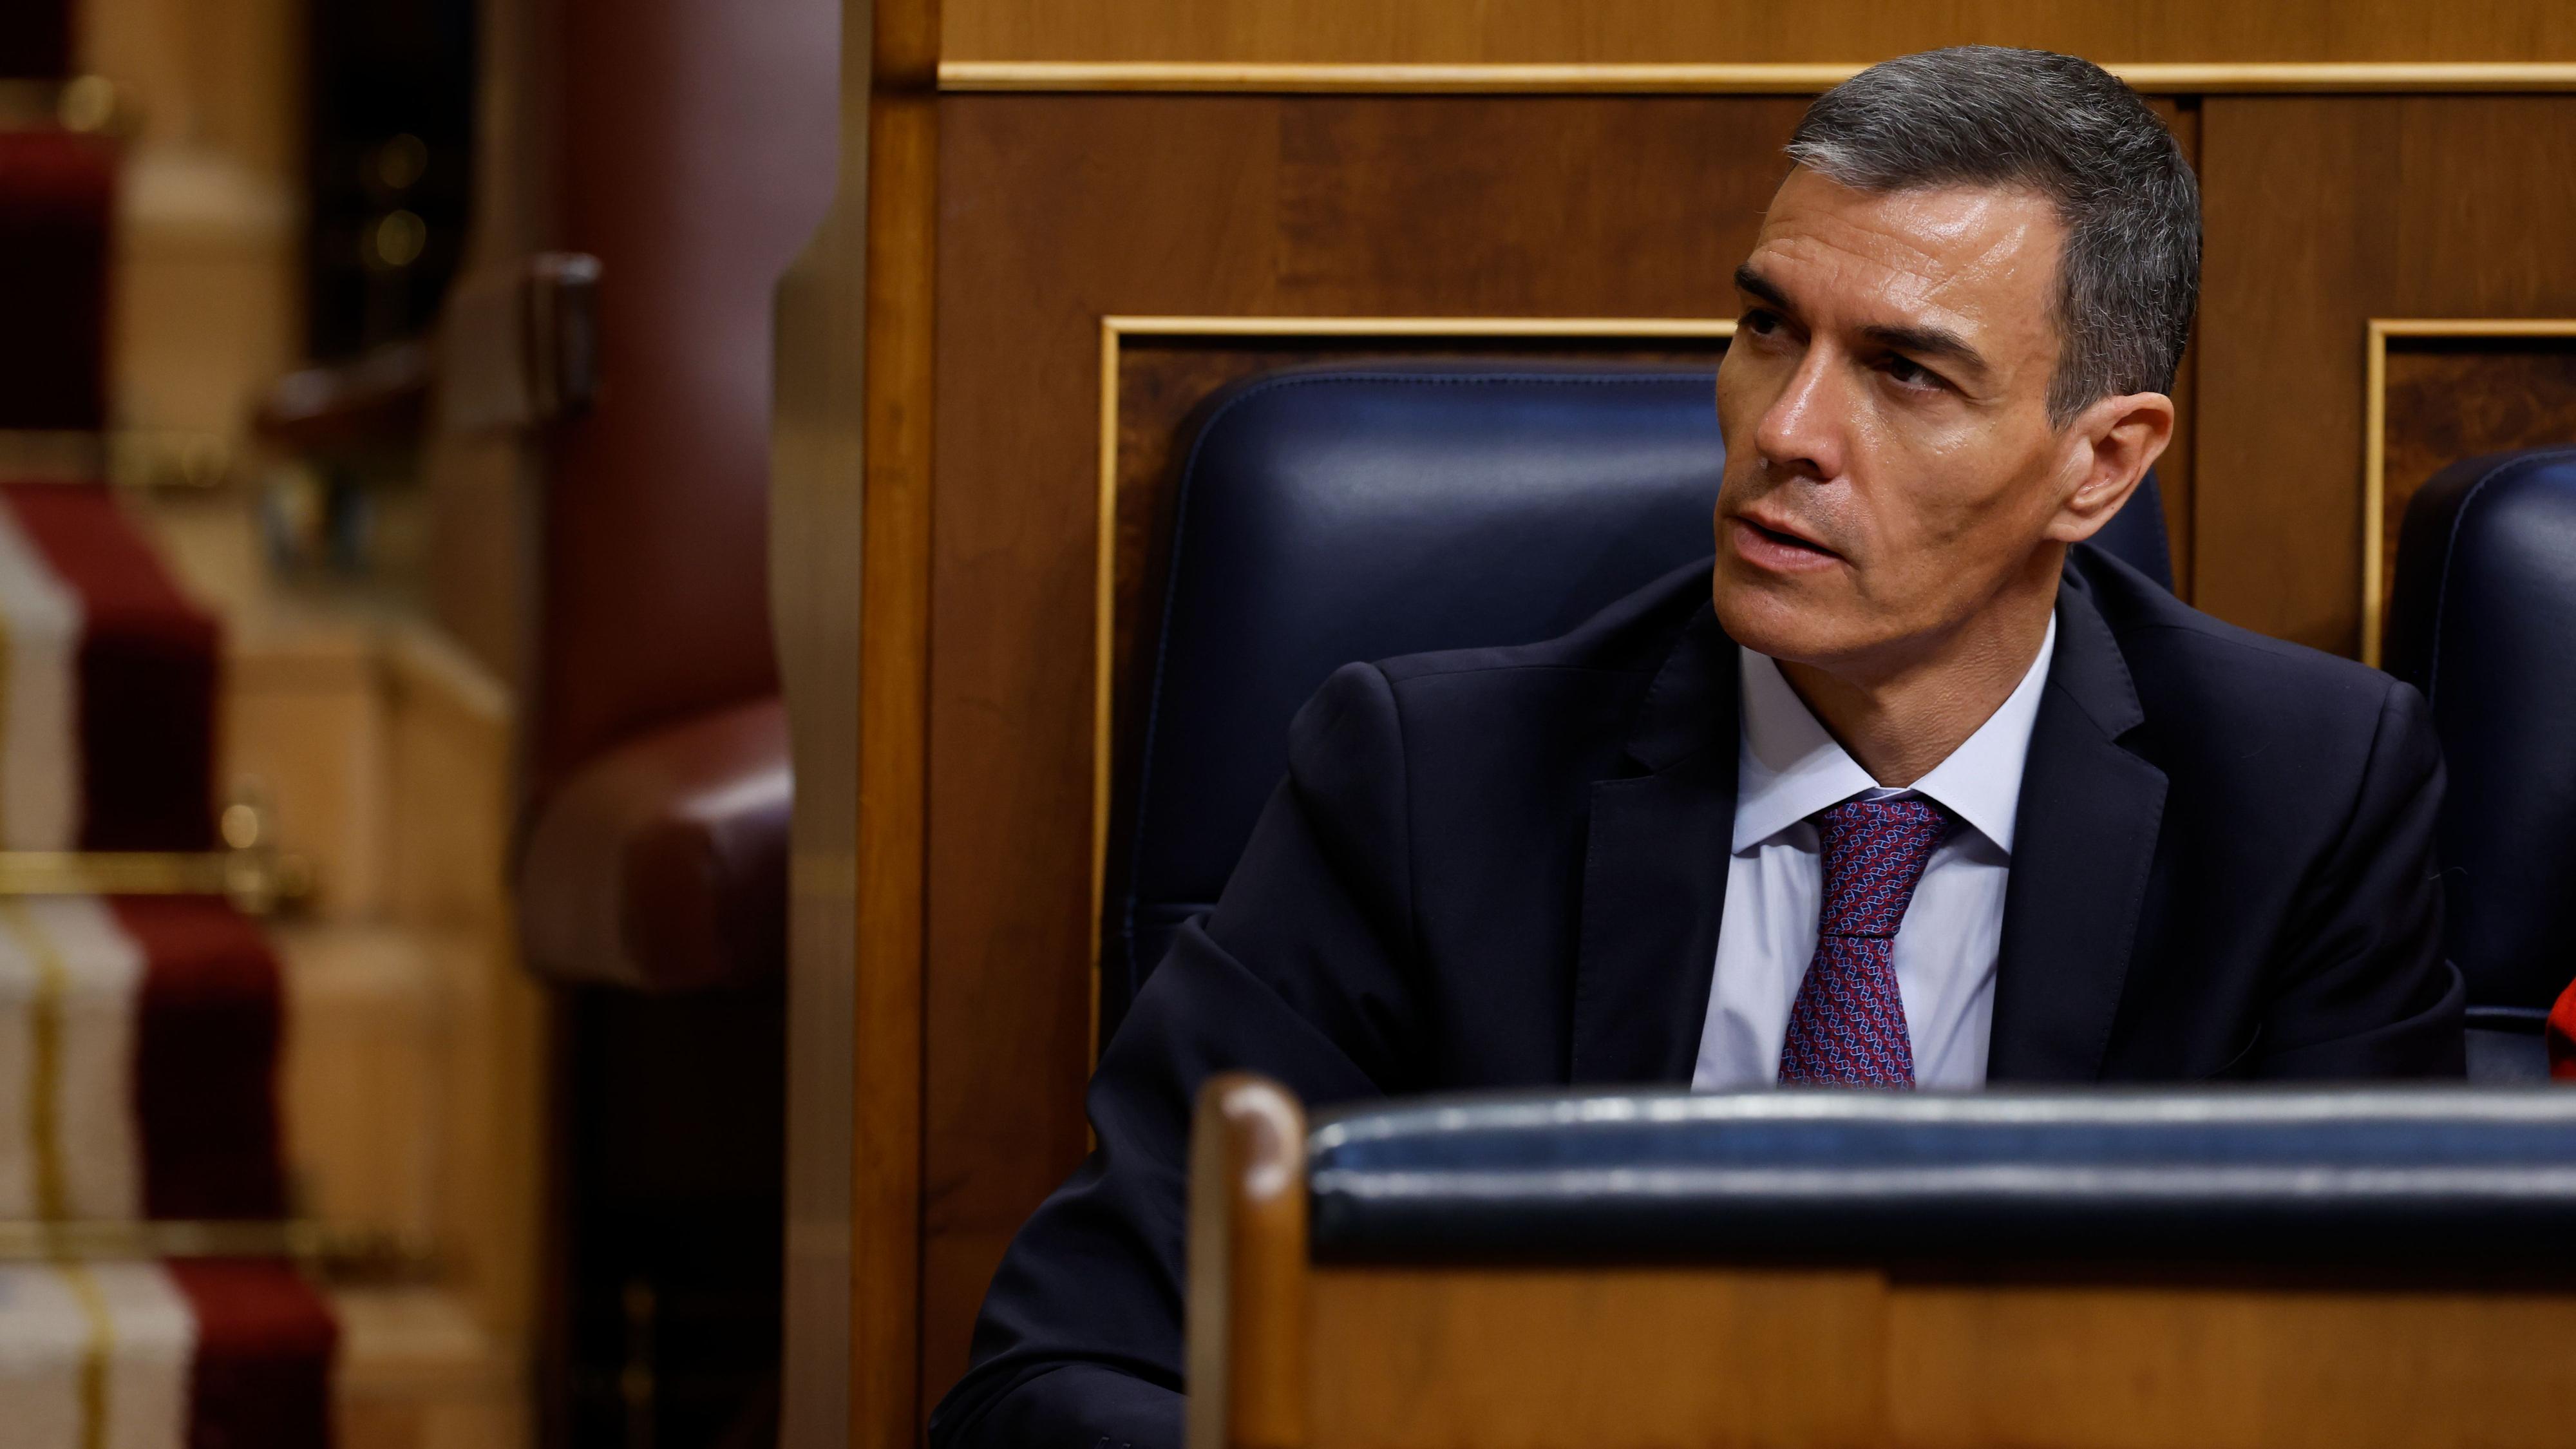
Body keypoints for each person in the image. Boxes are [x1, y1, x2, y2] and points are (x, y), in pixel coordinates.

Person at [929, 46, 2465, 1449]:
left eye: (1903, 371)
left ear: (2099, 463)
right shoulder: (1424, 784)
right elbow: (1067, 1371)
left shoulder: (2302, 800)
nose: (1783, 428)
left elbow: (2378, 1389)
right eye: (1765, 329)